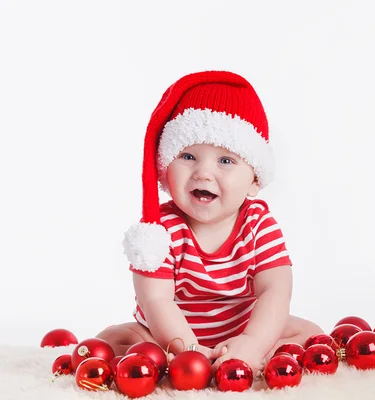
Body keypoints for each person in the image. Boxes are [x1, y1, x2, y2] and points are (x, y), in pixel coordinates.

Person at [96, 70, 322, 373]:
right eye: (188, 156)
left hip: (242, 330)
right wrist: (188, 349)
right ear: (165, 167)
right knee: (114, 340)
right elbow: (156, 300)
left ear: (254, 181)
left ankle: (249, 357)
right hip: (170, 336)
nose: (203, 173)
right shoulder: (160, 230)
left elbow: (276, 290)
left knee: (311, 334)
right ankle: (179, 362)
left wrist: (253, 341)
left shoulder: (257, 224)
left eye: (225, 161)